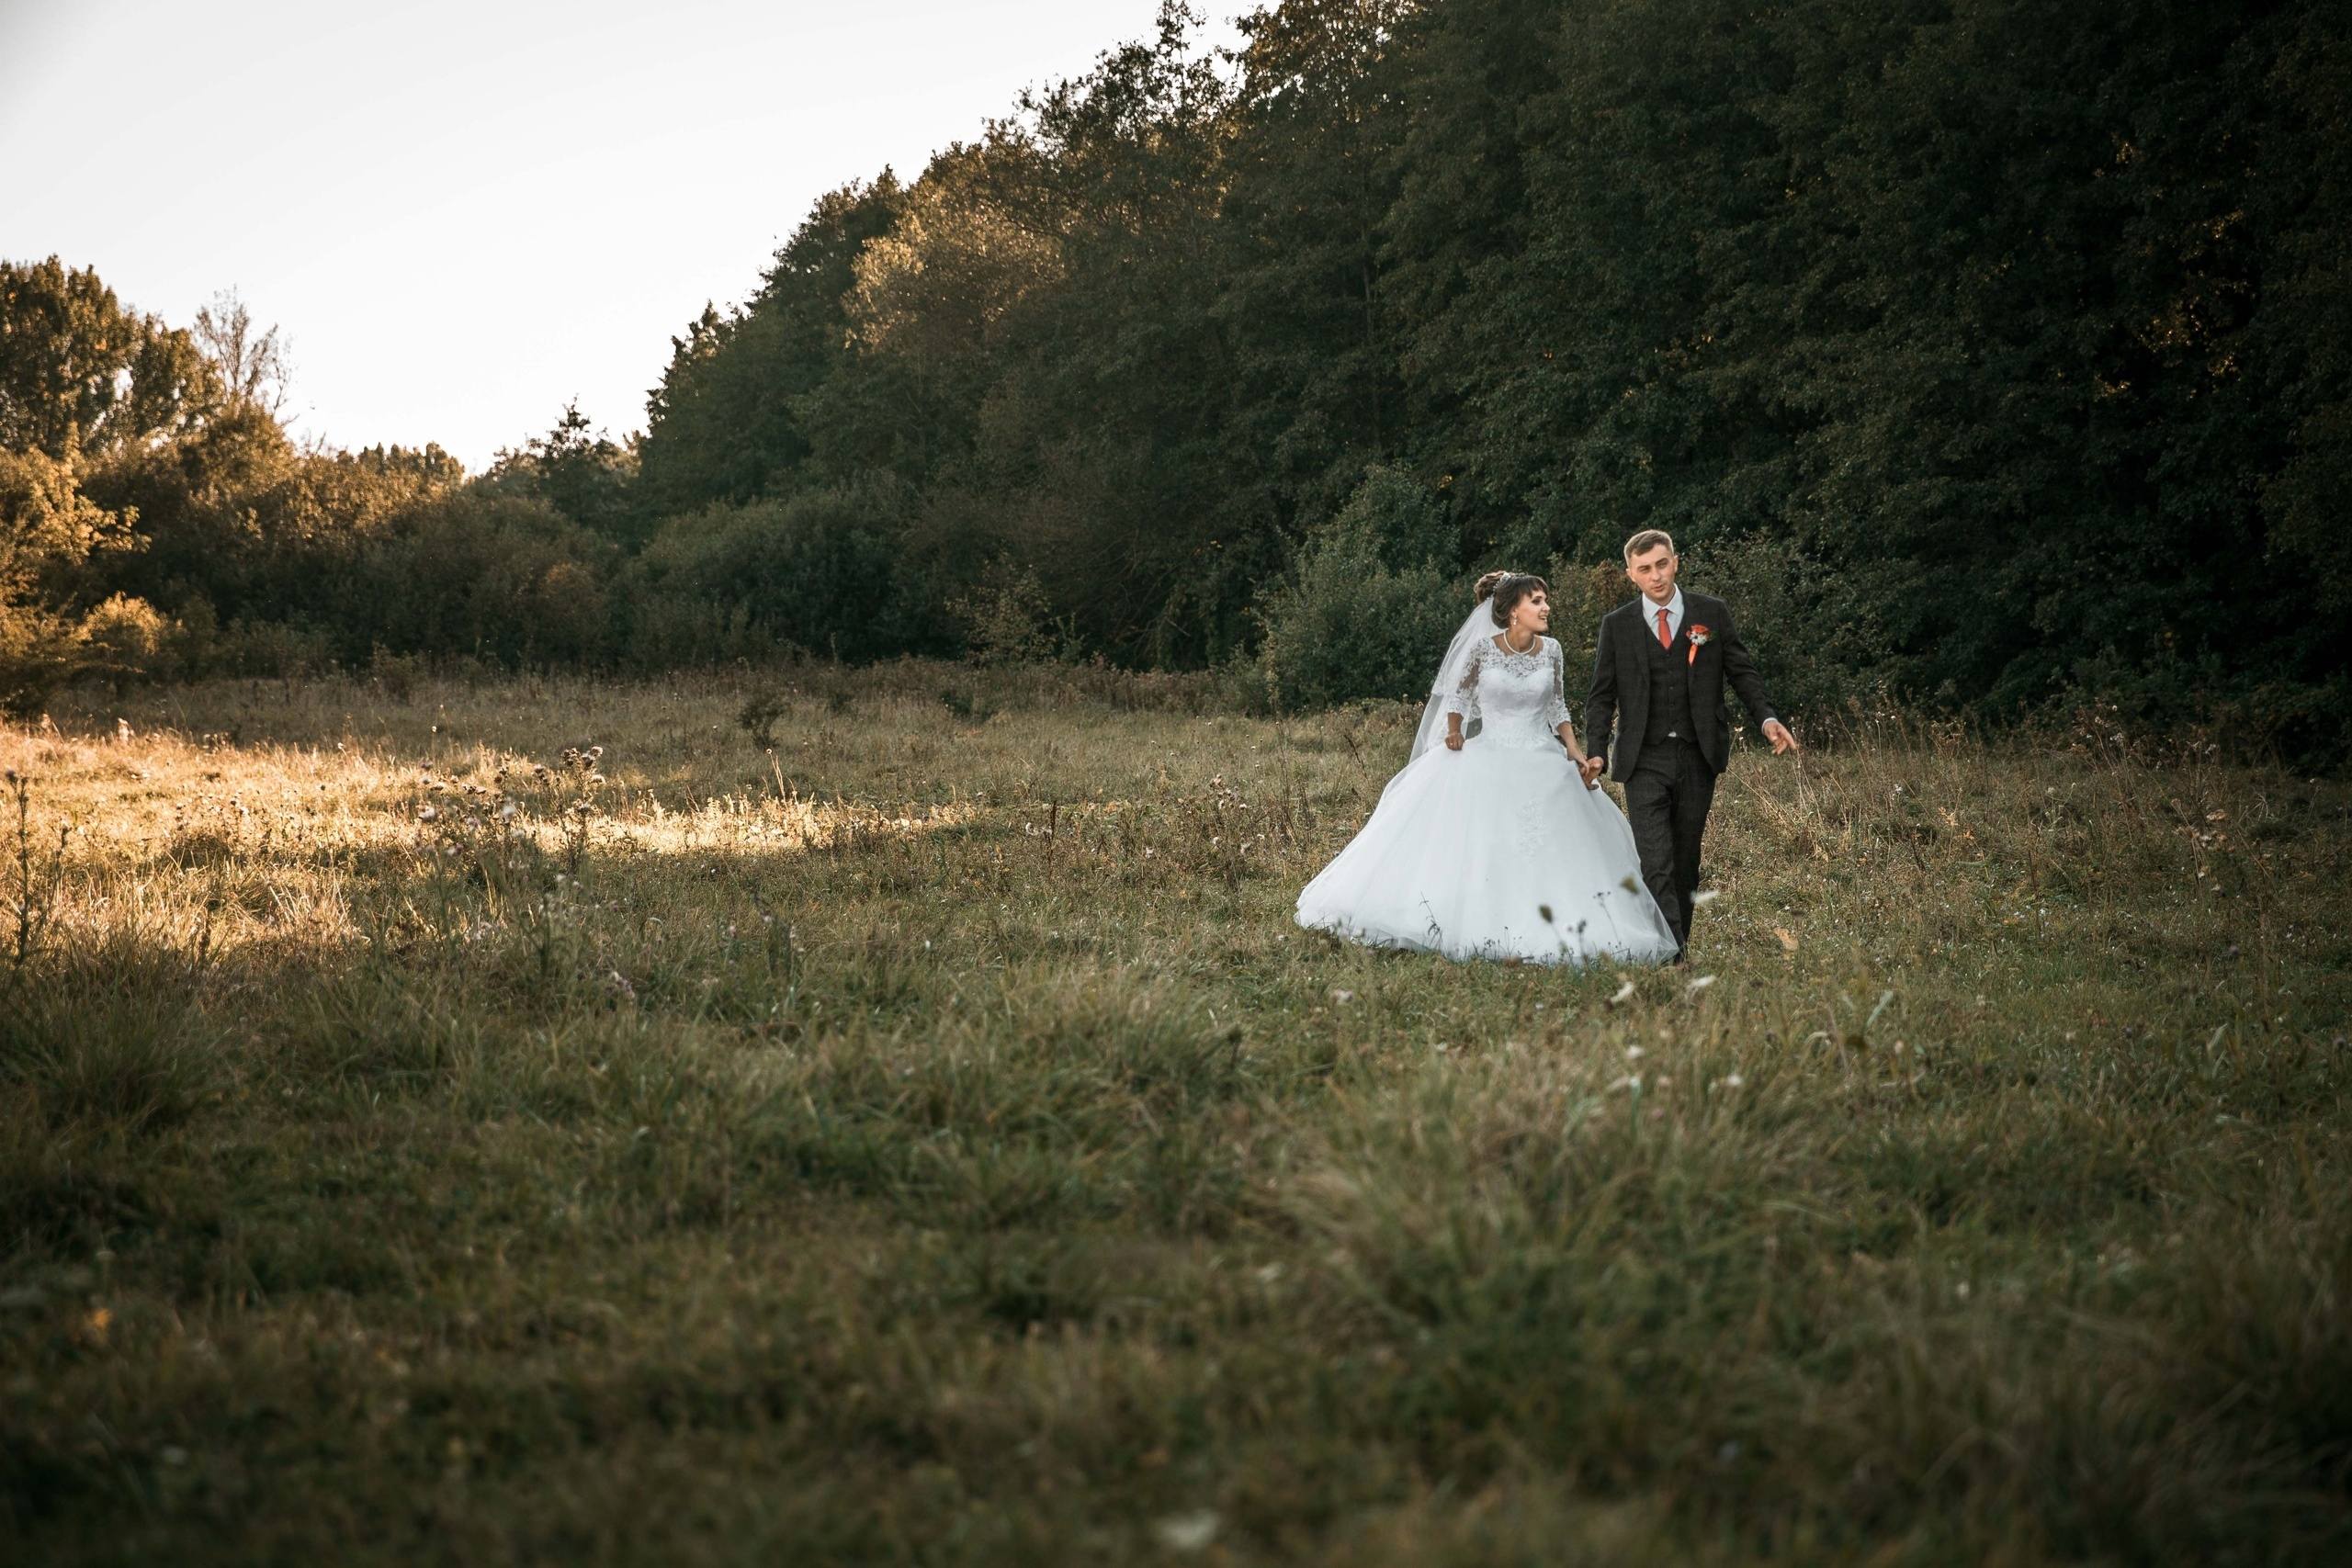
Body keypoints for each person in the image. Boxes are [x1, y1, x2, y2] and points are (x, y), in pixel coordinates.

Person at [1295, 571, 1680, 966]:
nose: (1546, 607)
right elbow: (1458, 697)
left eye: (1545, 599)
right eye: (1536, 600)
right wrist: (1453, 732)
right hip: (1489, 753)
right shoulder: (1483, 649)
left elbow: (1558, 708)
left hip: (1541, 756)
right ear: (1514, 610)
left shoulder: (1553, 650)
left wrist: (1575, 751)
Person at [1582, 529, 1799, 962]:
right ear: (1631, 575)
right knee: (1656, 861)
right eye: (1644, 569)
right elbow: (1601, 695)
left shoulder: (1710, 614)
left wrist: (1768, 718)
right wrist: (1597, 749)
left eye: (1662, 564)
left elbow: (1742, 672)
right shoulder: (1617, 625)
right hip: (1642, 758)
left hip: (1698, 754)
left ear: (1675, 562)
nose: (1656, 575)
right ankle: (1672, 958)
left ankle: (1676, 943)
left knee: (1685, 863)